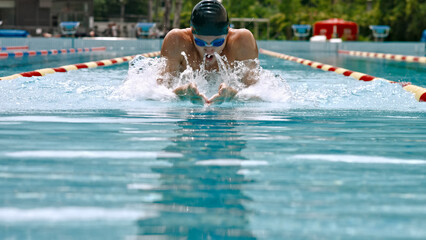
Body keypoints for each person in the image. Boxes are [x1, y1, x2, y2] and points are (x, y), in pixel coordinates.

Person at [159, 0, 259, 104]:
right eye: (200, 42)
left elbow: (257, 94)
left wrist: (235, 96)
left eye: (217, 42)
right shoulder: (177, 41)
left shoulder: (241, 41)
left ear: (228, 31)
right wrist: (181, 92)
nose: (209, 49)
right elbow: (159, 93)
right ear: (191, 32)